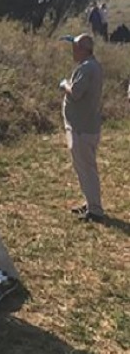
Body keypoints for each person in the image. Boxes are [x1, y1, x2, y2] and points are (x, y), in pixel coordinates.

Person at [59, 34, 104, 222]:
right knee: (84, 169)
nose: (73, 51)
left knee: (86, 169)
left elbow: (76, 93)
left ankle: (95, 210)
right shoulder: (92, 66)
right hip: (85, 126)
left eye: (76, 48)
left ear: (84, 50)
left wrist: (64, 85)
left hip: (82, 129)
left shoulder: (87, 68)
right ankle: (90, 203)